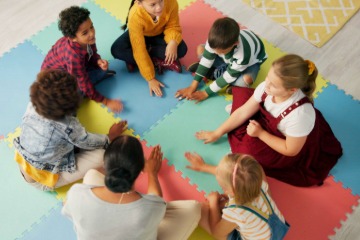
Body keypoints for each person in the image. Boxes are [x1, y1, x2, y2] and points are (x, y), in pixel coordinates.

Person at [195, 54, 342, 187]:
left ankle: (253, 134)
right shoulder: (266, 88)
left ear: (292, 90)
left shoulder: (300, 115)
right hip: (268, 123)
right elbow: (243, 112)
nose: (266, 85)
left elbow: (290, 150)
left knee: (248, 154)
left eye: (273, 85)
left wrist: (260, 134)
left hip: (286, 142)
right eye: (268, 78)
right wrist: (217, 132)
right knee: (241, 102)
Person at [62, 135, 201, 240]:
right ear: (141, 169)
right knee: (193, 208)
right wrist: (152, 174)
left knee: (91, 175)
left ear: (105, 163)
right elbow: (156, 200)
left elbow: (67, 205)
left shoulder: (76, 192)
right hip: (144, 216)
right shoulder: (148, 207)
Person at [13, 69, 127, 191]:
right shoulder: (68, 126)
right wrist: (109, 137)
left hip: (23, 160)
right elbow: (86, 140)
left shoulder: (32, 104)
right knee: (102, 156)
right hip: (44, 179)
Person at [184, 152, 289, 240]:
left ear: (231, 191)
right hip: (277, 229)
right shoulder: (258, 179)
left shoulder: (237, 212)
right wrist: (204, 167)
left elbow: (217, 233)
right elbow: (233, 173)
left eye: (224, 187)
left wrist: (213, 202)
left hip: (260, 234)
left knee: (201, 209)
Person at [41, 6, 123, 113]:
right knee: (72, 100)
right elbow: (83, 82)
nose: (92, 33)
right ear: (72, 38)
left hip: (73, 70)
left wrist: (97, 61)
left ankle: (94, 77)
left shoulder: (88, 40)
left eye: (92, 27)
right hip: (59, 84)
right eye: (85, 33)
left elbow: (92, 54)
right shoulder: (73, 56)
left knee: (102, 70)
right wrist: (106, 101)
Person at [176, 17, 267, 103]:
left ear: (235, 44)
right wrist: (192, 86)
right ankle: (218, 72)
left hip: (250, 63)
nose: (216, 52)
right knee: (201, 49)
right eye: (214, 50)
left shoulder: (243, 55)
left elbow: (229, 76)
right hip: (228, 60)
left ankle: (215, 73)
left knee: (246, 80)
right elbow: (207, 60)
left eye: (221, 51)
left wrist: (206, 93)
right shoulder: (214, 40)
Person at [111, 0, 187, 97]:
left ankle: (144, 57)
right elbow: (139, 49)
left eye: (161, 1)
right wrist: (150, 78)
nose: (159, 7)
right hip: (141, 34)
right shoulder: (135, 15)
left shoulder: (171, 2)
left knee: (181, 49)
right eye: (153, 5)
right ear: (139, 3)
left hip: (160, 32)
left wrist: (172, 42)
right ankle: (156, 60)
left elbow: (173, 25)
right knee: (116, 49)